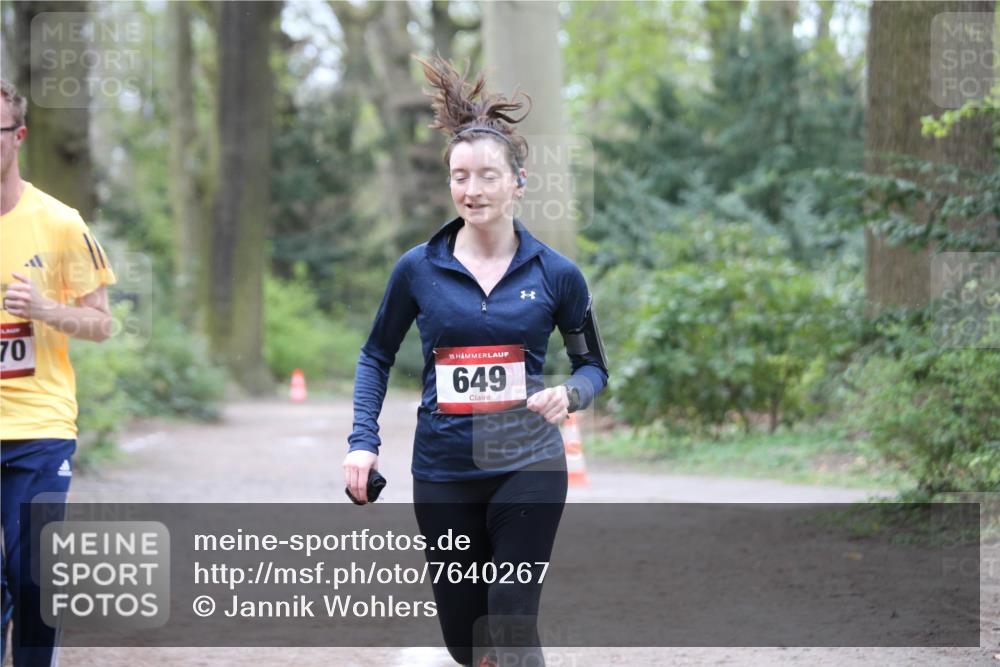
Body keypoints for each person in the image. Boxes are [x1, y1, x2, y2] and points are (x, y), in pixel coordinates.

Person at [343, 58, 608, 667]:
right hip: (444, 469)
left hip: (528, 465)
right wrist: (363, 440)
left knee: (512, 625)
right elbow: (376, 353)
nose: (472, 190)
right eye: (460, 177)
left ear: (518, 180)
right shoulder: (418, 269)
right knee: (468, 643)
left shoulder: (557, 275)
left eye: (487, 176)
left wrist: (570, 395)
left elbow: (594, 367)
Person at [1, 79, 116, 666]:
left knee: (33, 575)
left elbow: (101, 324)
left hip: (40, 427)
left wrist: (45, 309)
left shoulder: (60, 222)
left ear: (18, 136)